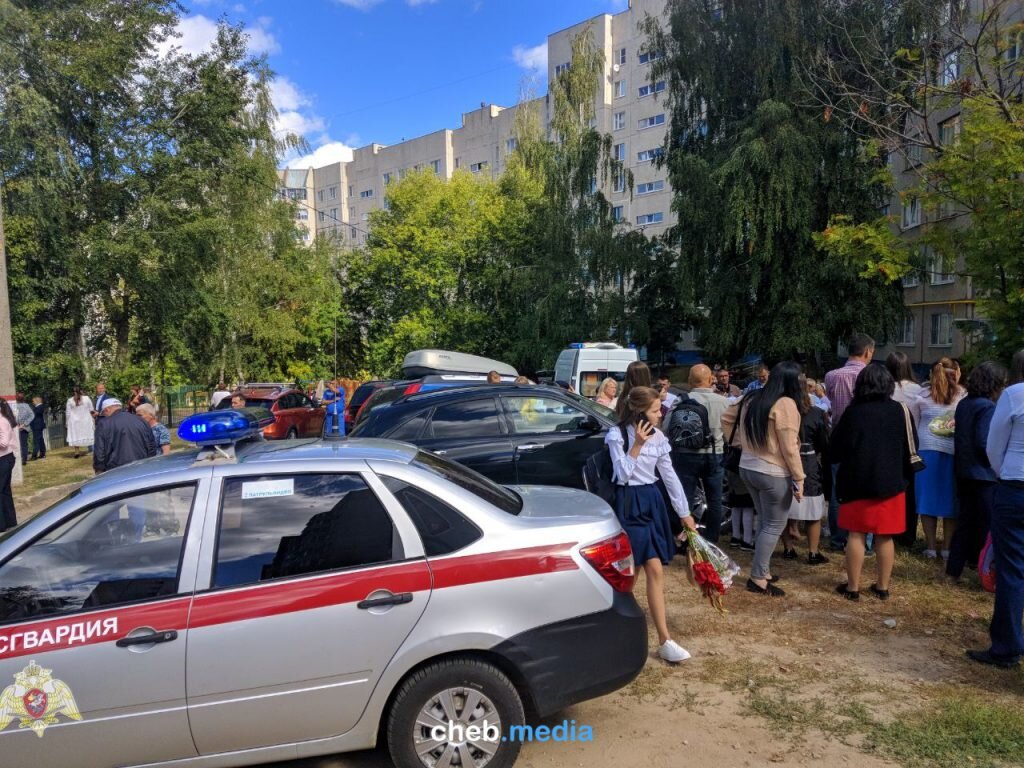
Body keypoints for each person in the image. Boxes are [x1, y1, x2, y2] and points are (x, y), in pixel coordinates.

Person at [606, 386, 696, 663]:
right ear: (640, 412)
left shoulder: (659, 438)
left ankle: (664, 640)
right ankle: (614, 631)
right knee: (631, 573)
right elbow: (621, 475)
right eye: (656, 410)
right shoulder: (617, 435)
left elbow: (669, 476)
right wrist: (636, 446)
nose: (660, 415)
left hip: (651, 501)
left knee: (655, 569)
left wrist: (684, 513)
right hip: (628, 502)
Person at [830, 365, 915, 601]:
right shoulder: (900, 410)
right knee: (885, 536)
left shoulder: (853, 412)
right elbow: (911, 447)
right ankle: (882, 586)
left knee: (855, 535)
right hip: (891, 482)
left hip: (856, 482)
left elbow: (835, 449)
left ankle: (853, 587)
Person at [722, 361, 805, 597]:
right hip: (773, 472)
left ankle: (763, 571)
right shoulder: (786, 404)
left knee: (765, 521)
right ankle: (758, 577)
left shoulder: (751, 397)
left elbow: (727, 418)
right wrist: (799, 477)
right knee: (774, 525)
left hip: (748, 467)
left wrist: (742, 444)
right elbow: (789, 447)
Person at [968, 349, 1024, 668]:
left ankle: (1007, 646)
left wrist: (1003, 474)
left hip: (1015, 486)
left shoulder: (1014, 395)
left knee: (1011, 570)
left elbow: (993, 444)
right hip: (1013, 483)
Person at [946, 362, 1007, 582]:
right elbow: (983, 441)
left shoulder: (965, 403)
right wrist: (997, 463)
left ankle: (954, 570)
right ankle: (987, 571)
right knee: (989, 524)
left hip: (963, 470)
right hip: (983, 474)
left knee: (965, 522)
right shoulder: (987, 407)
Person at [824, 333, 876, 553]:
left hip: (839, 435)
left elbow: (830, 402)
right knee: (866, 489)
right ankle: (866, 540)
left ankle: (837, 538)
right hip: (865, 437)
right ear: (867, 352)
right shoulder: (870, 375)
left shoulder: (832, 376)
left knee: (838, 490)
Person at [911, 357, 966, 559]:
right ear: (956, 372)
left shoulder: (921, 395)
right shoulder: (962, 395)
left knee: (926, 501)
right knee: (950, 501)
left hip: (926, 451)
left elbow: (915, 424)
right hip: (952, 452)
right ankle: (947, 547)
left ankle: (931, 547)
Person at [672, 364, 728, 543]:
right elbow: (729, 432)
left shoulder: (681, 400)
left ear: (689, 380)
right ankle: (711, 539)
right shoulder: (723, 402)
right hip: (714, 454)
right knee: (714, 500)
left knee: (685, 498)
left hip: (685, 453)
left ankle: (687, 538)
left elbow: (667, 428)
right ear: (711, 379)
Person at [780, 374, 831, 565]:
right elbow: (824, 442)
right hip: (808, 462)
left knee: (784, 506)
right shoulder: (816, 413)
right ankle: (813, 552)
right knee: (813, 510)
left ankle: (788, 548)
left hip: (784, 461)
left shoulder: (779, 411)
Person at [887, 351, 923, 547]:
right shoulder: (917, 390)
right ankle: (908, 533)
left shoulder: (886, 388)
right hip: (911, 443)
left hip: (889, 443)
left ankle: (890, 528)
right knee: (910, 491)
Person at [93, 398, 156, 473]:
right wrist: (149, 463)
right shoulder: (141, 420)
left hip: (116, 470)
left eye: (104, 413)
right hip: (141, 467)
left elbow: (100, 451)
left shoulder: (104, 424)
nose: (105, 416)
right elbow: (151, 445)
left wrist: (99, 469)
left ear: (107, 410)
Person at [0, 399, 18, 531]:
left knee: (1, 491)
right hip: (5, 458)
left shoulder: (1, 421)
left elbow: (4, 443)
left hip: (4, 459)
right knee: (5, 491)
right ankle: (10, 522)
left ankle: (2, 524)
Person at [65, 387, 95, 459]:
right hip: (86, 419)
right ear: (81, 391)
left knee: (76, 435)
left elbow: (68, 413)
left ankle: (77, 452)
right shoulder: (86, 398)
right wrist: (93, 418)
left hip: (75, 421)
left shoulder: (70, 400)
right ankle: (92, 450)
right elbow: (91, 409)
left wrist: (67, 422)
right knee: (88, 433)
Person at [14, 394, 33, 466]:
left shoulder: (14, 406)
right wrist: (25, 424)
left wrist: (19, 424)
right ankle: (24, 460)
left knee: (16, 444)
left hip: (16, 427)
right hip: (24, 427)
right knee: (24, 444)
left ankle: (19, 459)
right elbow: (32, 415)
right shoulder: (27, 406)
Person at [29, 396, 46, 460]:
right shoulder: (37, 407)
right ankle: (42, 453)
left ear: (37, 401)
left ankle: (34, 455)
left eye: (33, 401)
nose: (32, 402)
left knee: (36, 440)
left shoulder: (40, 407)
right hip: (37, 425)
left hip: (37, 425)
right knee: (40, 439)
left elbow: (35, 414)